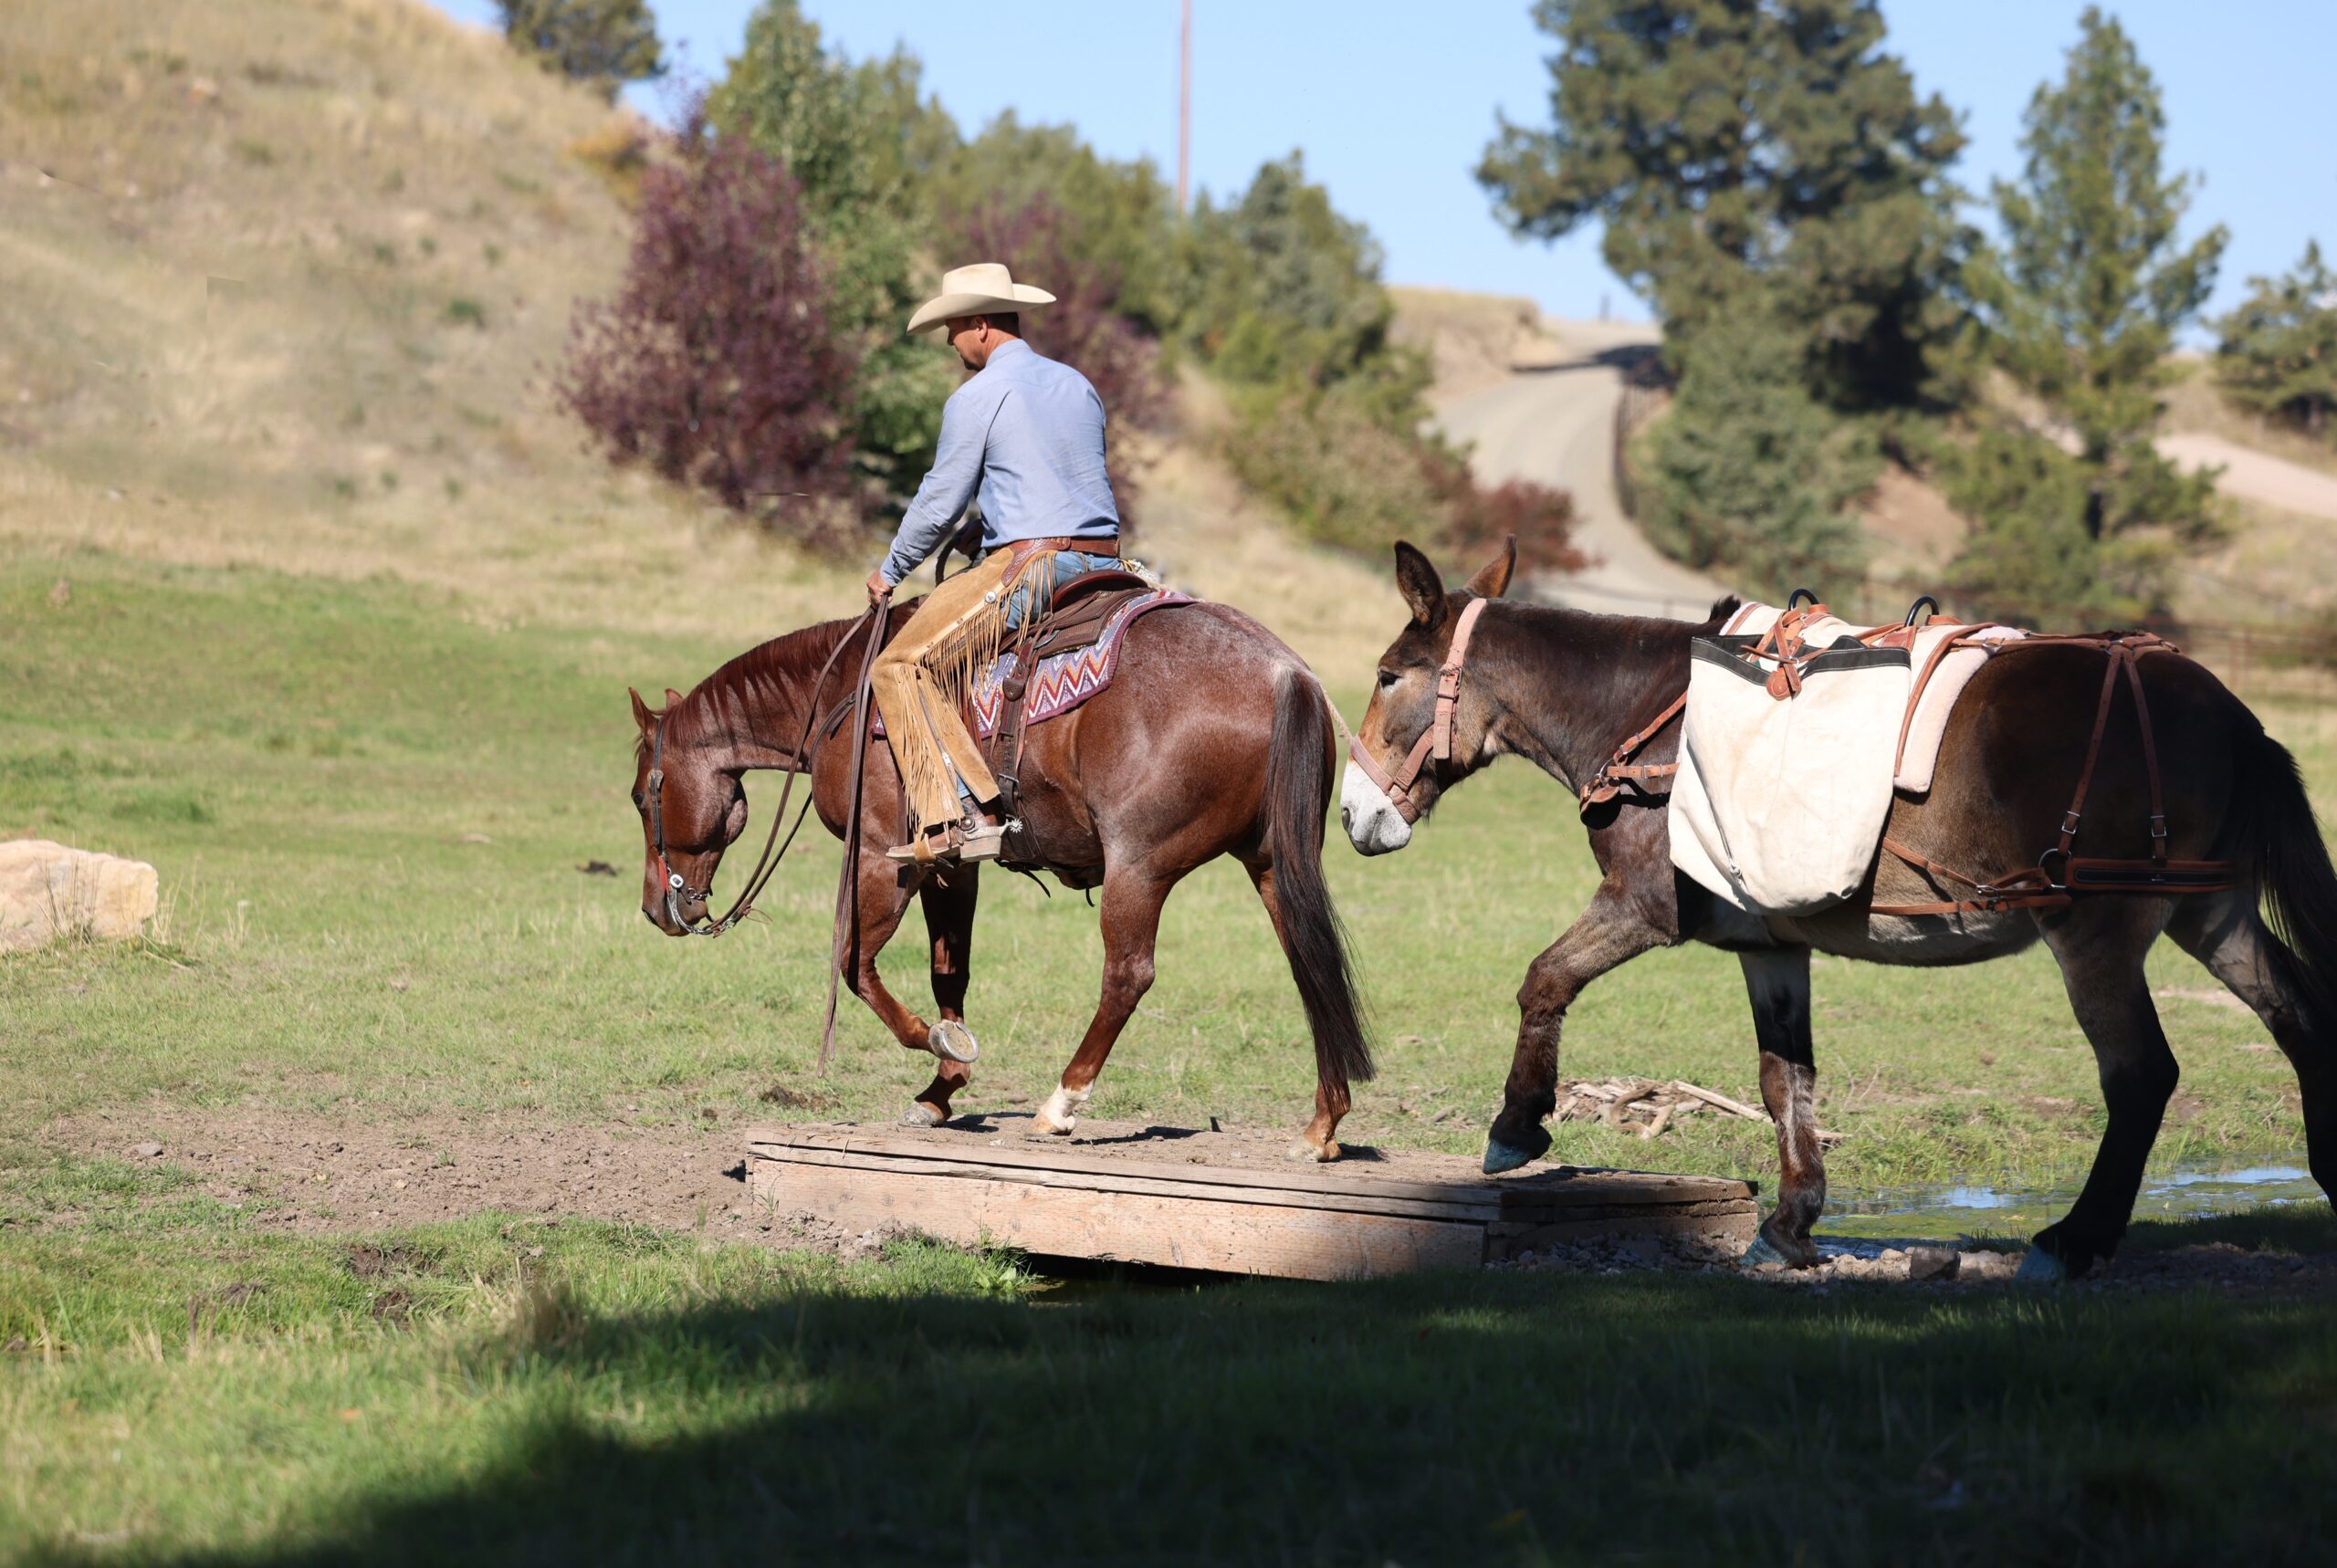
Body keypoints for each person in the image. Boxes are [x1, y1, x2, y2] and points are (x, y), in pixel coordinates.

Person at [863, 262, 1124, 867]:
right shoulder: (1076, 384)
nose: (951, 343)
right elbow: (1062, 481)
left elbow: (938, 502)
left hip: (1033, 568)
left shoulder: (978, 396)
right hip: (1107, 561)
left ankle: (957, 814)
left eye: (953, 329)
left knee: (900, 665)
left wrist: (891, 570)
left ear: (980, 326)